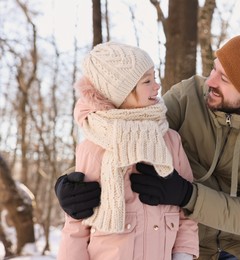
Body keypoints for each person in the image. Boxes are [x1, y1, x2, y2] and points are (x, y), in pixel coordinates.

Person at [55, 29, 240, 260]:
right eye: (214, 69)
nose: (210, 81)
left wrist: (187, 194)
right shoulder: (190, 96)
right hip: (177, 238)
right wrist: (71, 185)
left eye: (225, 79)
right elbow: (127, 131)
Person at [56, 42, 199, 260]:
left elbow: (187, 211)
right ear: (120, 92)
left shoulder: (169, 140)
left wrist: (183, 255)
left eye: (155, 77)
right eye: (147, 81)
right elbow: (77, 222)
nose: (157, 86)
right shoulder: (93, 147)